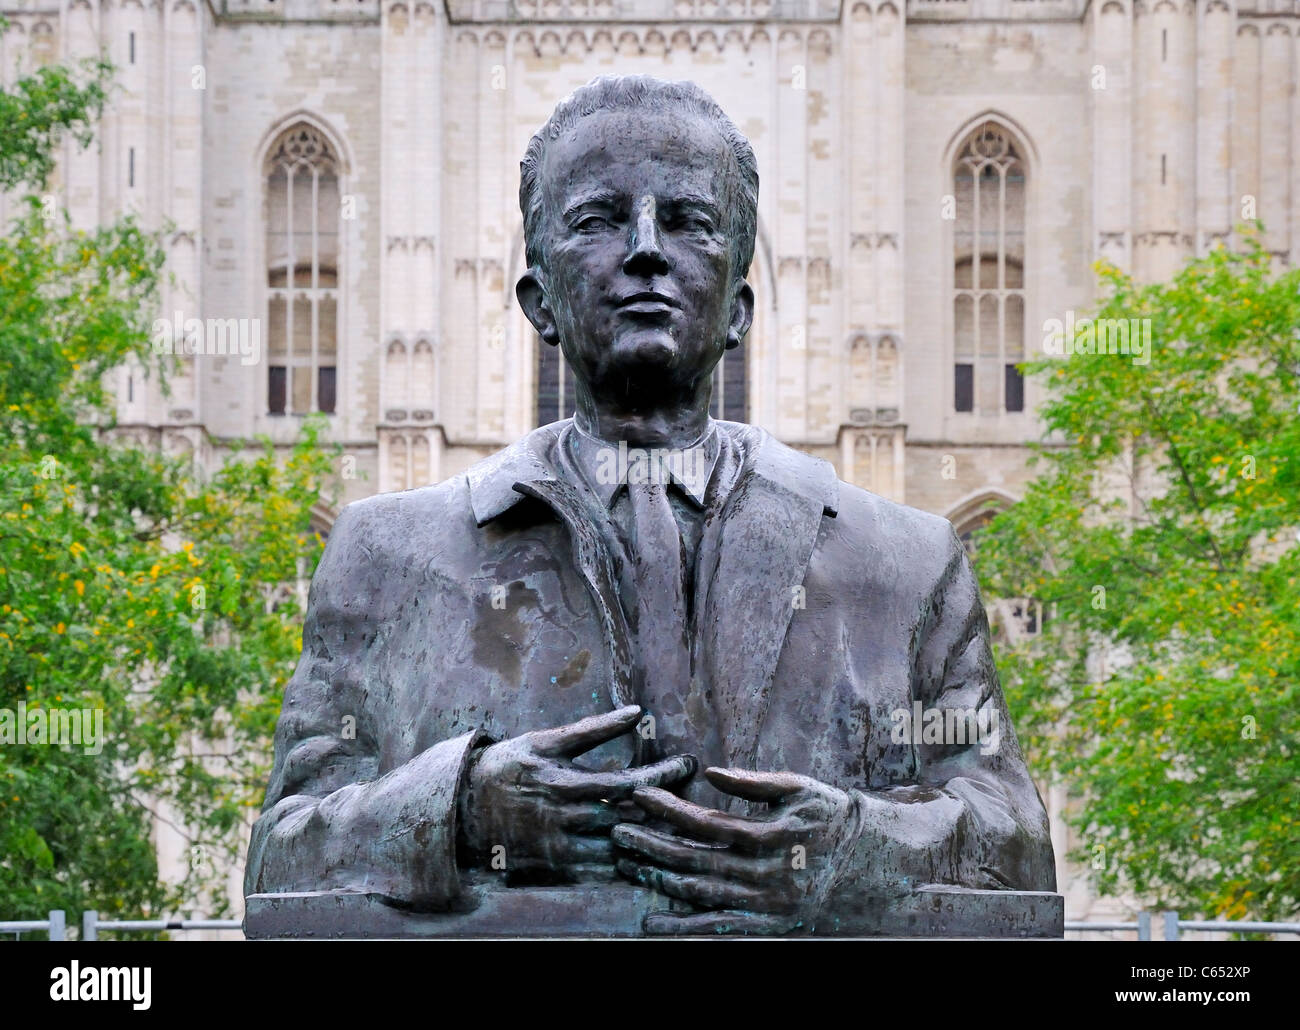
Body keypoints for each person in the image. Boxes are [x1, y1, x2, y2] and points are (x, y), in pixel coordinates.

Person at [244, 75, 1055, 935]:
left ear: (741, 309)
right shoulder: (387, 555)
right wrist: (461, 811)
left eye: (687, 221)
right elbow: (282, 858)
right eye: (596, 220)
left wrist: (850, 852)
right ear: (538, 303)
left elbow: (1015, 846)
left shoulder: (906, 563)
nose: (644, 251)